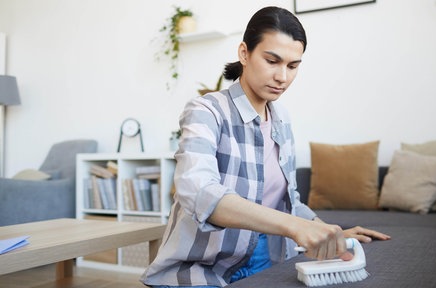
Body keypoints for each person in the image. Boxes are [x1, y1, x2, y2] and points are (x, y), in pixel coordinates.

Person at [140, 6, 390, 288]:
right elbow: (198, 191)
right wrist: (295, 227)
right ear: (244, 53)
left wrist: (326, 230)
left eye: (293, 66)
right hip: (199, 268)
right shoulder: (207, 111)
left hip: (265, 260)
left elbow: (287, 201)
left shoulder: (281, 119)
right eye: (272, 61)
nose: (283, 77)